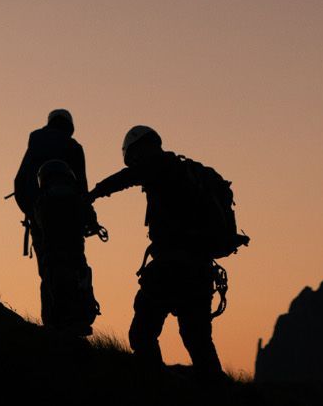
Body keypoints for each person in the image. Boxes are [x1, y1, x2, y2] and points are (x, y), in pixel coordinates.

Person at [90, 126, 234, 377]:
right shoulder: (187, 172)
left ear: (140, 148)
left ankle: (154, 389)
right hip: (200, 270)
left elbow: (126, 177)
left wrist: (93, 193)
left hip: (169, 268)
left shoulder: (159, 165)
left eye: (133, 156)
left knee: (142, 334)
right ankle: (220, 393)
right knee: (198, 341)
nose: (134, 162)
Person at [31, 159, 102, 339]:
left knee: (54, 303)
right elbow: (91, 225)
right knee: (79, 296)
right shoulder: (78, 199)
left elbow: (40, 225)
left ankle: (57, 336)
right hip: (76, 256)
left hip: (53, 258)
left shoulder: (42, 201)